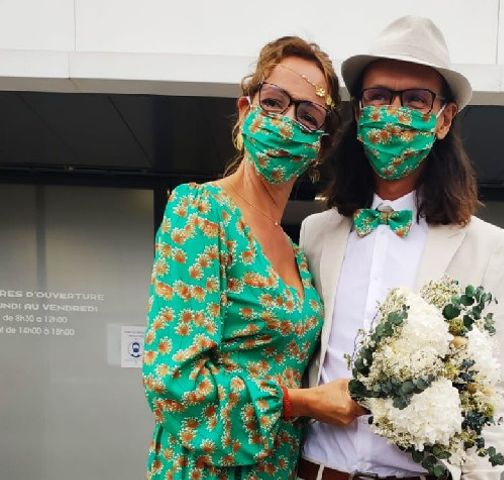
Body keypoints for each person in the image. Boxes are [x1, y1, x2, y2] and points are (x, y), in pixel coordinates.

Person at [298, 16, 504, 480]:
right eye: (378, 96)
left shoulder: (489, 247)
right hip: (319, 471)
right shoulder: (316, 233)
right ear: (359, 112)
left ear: (444, 118)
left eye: (416, 99)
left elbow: (494, 395)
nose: (394, 111)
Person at [141, 36, 361, 480]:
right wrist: (299, 402)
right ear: (246, 111)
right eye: (274, 102)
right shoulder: (201, 212)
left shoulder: (297, 253)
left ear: (318, 145)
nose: (285, 123)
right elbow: (172, 380)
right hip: (205, 469)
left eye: (307, 115)